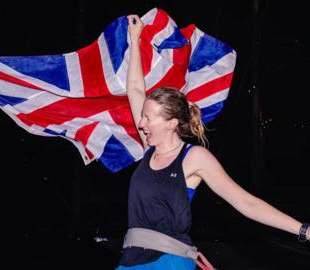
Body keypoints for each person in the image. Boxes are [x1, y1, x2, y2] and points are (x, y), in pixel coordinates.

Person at [116, 15, 310, 270]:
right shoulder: (148, 147)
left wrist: (304, 229)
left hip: (168, 262)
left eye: (147, 118)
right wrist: (134, 38)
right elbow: (134, 88)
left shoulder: (193, 157)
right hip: (130, 261)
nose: (140, 124)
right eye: (142, 117)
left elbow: (245, 202)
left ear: (172, 123)